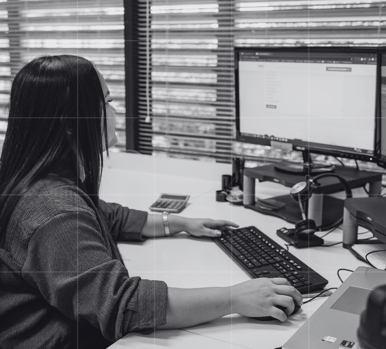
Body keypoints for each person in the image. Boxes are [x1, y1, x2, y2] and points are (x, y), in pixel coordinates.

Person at [0, 55, 302, 349]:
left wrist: (180, 223)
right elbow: (123, 304)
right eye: (107, 102)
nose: (114, 112)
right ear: (70, 123)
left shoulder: (39, 183)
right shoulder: (54, 213)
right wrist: (235, 298)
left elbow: (107, 216)